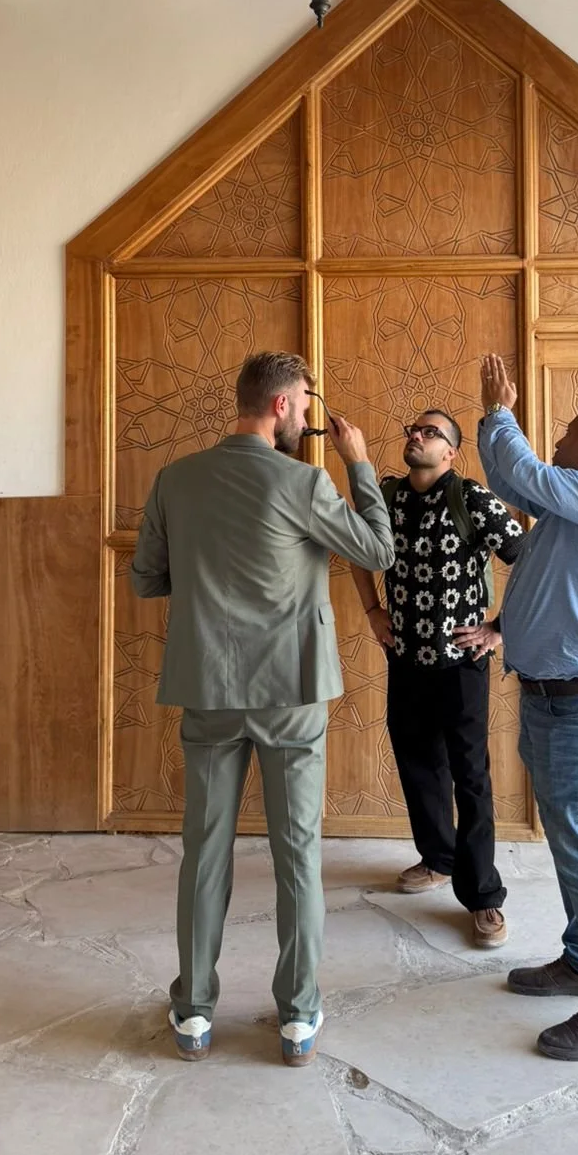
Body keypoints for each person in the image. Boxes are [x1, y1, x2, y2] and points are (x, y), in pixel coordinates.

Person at [130, 351, 394, 1067]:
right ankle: (298, 1018)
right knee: (297, 853)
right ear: (281, 404)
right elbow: (378, 550)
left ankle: (193, 1011)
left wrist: (207, 575)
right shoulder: (305, 482)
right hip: (290, 690)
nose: (308, 416)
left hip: (208, 686)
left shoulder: (175, 479)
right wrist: (358, 464)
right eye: (305, 403)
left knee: (204, 850)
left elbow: (147, 579)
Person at [456, 353, 578, 1062]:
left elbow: (529, 473)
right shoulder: (573, 503)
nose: (558, 440)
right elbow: (513, 480)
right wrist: (491, 424)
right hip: (552, 700)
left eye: (567, 432)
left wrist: (501, 412)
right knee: (572, 845)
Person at [350, 408, 523, 947]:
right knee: (417, 762)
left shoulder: (471, 498)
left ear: (451, 451)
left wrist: (500, 629)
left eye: (431, 433)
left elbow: (528, 558)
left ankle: (484, 895)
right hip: (404, 656)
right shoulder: (387, 496)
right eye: (413, 429)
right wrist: (372, 610)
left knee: (470, 776)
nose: (416, 436)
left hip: (461, 664)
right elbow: (355, 548)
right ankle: (438, 858)